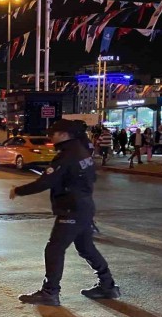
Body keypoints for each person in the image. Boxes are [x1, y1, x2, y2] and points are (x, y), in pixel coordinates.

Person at [10, 119, 120, 306]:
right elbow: (91, 177)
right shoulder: (82, 151)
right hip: (84, 207)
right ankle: (107, 285)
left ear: (63, 134)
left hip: (71, 209)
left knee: (54, 249)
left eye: (53, 133)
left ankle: (50, 292)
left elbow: (46, 181)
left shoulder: (67, 155)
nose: (50, 137)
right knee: (86, 248)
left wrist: (18, 191)